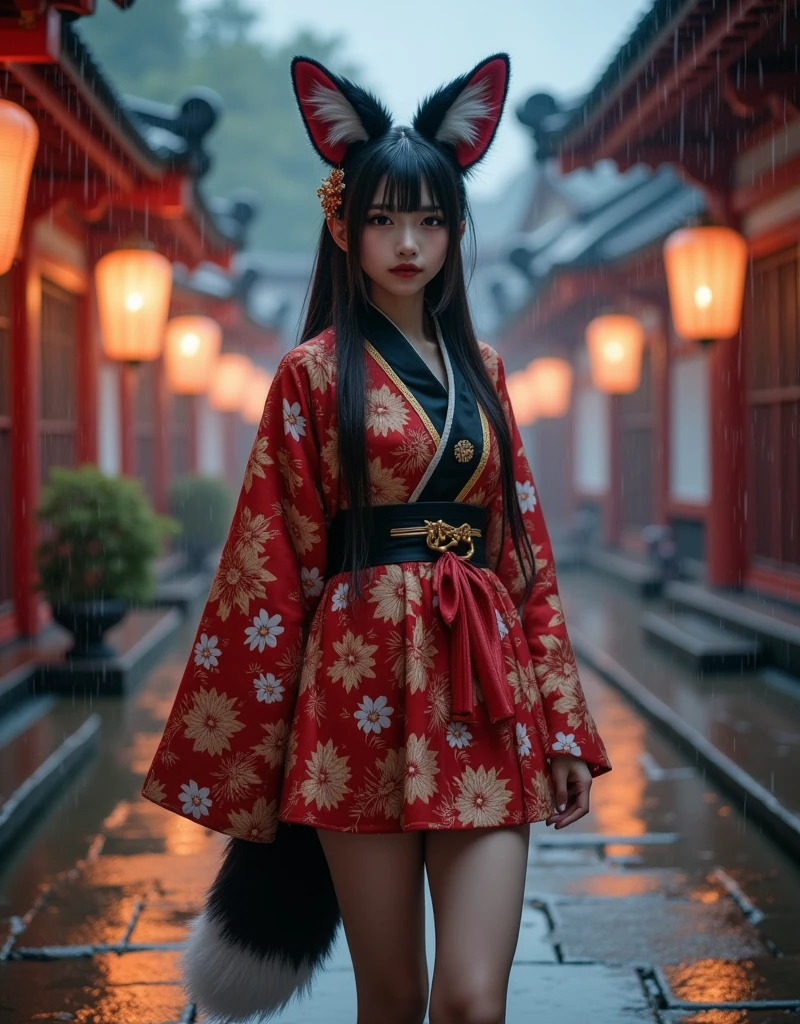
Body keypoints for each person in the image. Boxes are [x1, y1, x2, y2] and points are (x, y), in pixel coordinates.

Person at [142, 52, 612, 1024]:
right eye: (384, 218)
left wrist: (560, 721)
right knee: (391, 998)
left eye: (430, 219)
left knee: (474, 1001)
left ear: (454, 229)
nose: (407, 242)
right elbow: (267, 564)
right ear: (344, 226)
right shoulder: (311, 377)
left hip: (483, 691)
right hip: (355, 696)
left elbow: (522, 559)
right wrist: (258, 752)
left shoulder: (484, 371)